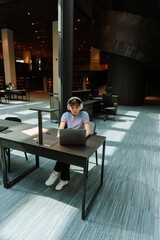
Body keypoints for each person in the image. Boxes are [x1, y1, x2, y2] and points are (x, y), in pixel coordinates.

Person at [45, 96, 90, 190]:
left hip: (79, 140)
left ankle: (55, 173)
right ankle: (64, 179)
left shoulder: (84, 114)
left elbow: (88, 131)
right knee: (64, 155)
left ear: (80, 106)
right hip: (67, 139)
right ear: (69, 107)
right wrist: (59, 134)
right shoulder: (66, 114)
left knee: (65, 155)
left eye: (77, 107)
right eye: (72, 107)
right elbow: (61, 128)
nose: (75, 110)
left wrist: (79, 137)